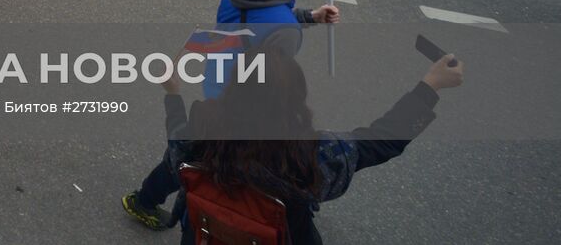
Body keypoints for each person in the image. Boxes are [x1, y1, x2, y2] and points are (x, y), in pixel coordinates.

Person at [129, 47, 462, 242]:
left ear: (231, 90)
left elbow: (176, 142)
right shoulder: (314, 153)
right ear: (295, 98)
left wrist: (173, 94)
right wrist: (429, 87)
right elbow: (384, 140)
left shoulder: (202, 126)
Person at [122, 0, 343, 230]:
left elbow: (258, 21)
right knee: (202, 155)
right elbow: (271, 79)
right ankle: (146, 200)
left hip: (215, 80)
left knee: (195, 148)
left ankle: (148, 199)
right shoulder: (286, 31)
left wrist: (308, 16)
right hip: (241, 101)